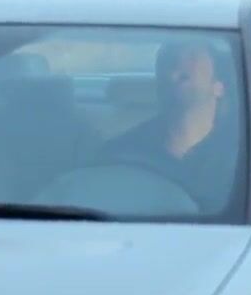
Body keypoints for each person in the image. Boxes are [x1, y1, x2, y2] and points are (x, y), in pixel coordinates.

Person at [101, 37, 238, 212]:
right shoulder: (119, 154)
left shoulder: (242, 159)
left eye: (191, 56)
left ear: (219, 86)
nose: (174, 71)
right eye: (169, 60)